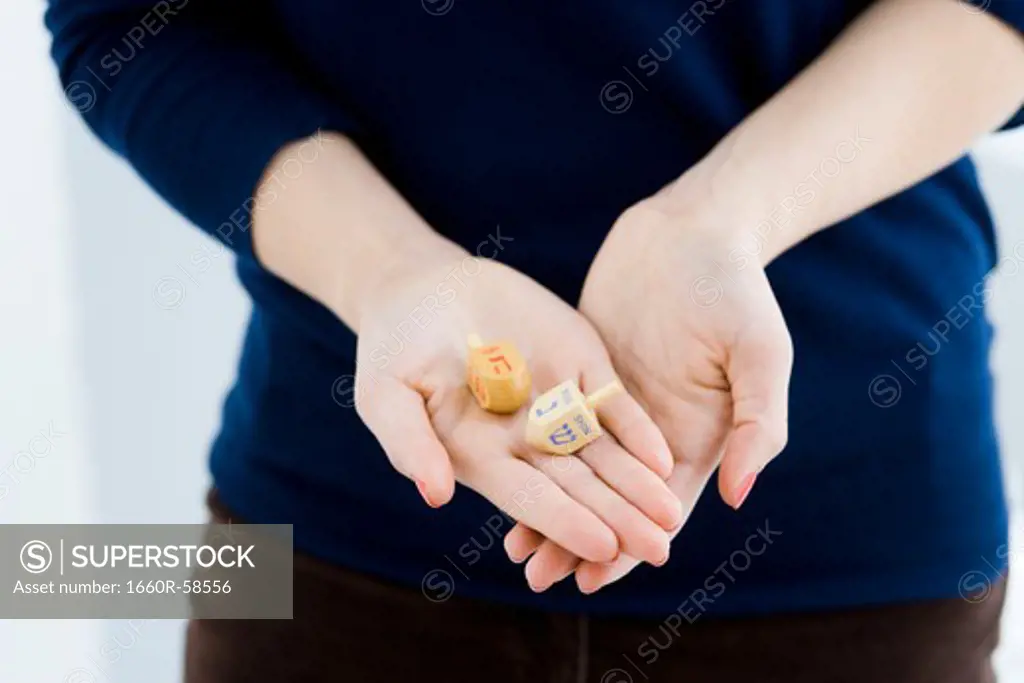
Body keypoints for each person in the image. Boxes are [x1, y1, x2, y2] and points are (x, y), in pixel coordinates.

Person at [47, 0, 1024, 680]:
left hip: (852, 555)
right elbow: (125, 20)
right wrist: (390, 271)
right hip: (328, 538)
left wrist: (721, 218)